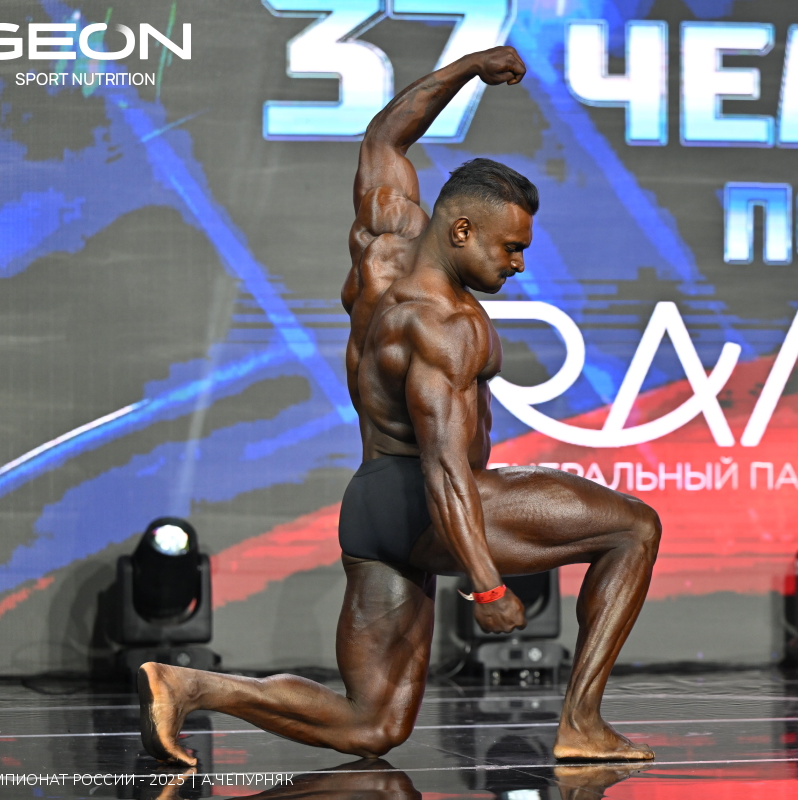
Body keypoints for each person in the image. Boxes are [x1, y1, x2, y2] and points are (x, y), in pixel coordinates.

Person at [138, 45, 661, 765]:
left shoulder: (383, 247)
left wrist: (468, 68)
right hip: (428, 501)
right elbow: (445, 468)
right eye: (510, 248)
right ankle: (581, 723)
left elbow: (385, 136)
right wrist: (487, 589)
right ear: (462, 231)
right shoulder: (446, 325)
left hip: (370, 504)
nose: (518, 263)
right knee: (633, 528)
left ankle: (189, 687)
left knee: (373, 724)